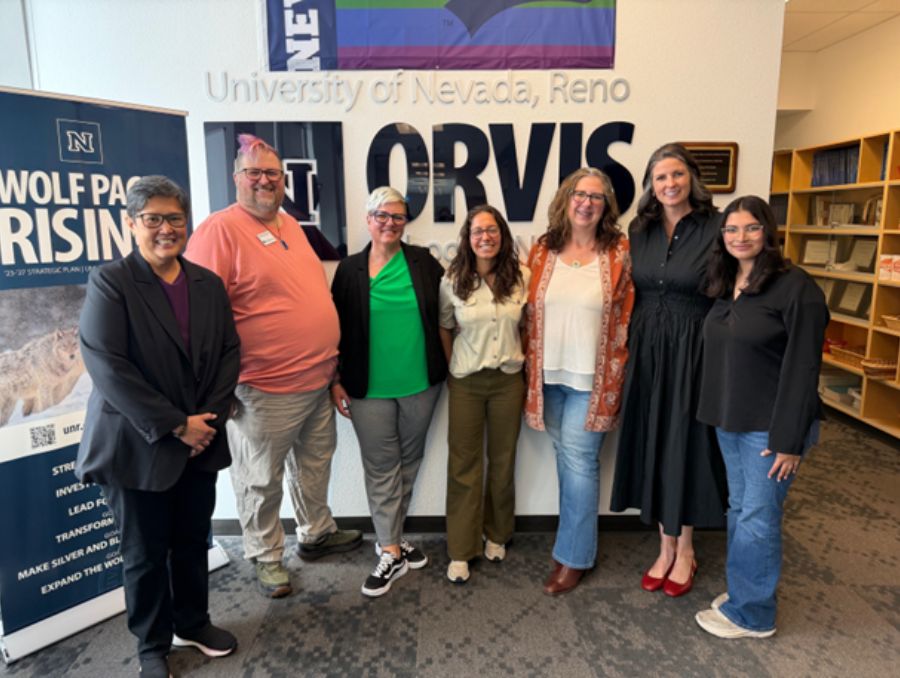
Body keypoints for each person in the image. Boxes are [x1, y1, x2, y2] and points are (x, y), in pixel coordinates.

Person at [76, 176, 241, 678]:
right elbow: (107, 366)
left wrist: (204, 423)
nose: (166, 229)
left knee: (192, 540)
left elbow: (229, 354)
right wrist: (175, 425)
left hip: (201, 440)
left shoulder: (206, 284)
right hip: (139, 446)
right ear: (131, 224)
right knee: (144, 554)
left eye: (175, 219)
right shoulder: (112, 282)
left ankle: (193, 620)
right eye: (154, 219)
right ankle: (152, 644)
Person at [185, 134, 361, 599]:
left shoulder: (289, 223)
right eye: (254, 173)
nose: (264, 181)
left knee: (313, 466)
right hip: (262, 388)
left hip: (316, 379)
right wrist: (219, 388)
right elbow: (199, 315)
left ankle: (316, 532)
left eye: (272, 174)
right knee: (259, 478)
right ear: (237, 178)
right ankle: (265, 556)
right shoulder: (219, 231)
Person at [695, 195, 828, 638]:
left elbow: (804, 367)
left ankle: (753, 615)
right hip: (730, 420)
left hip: (769, 430)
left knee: (758, 517)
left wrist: (790, 440)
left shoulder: (796, 288)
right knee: (742, 510)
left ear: (768, 231)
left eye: (751, 228)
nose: (740, 237)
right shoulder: (727, 279)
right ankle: (744, 594)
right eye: (731, 230)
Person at [610, 142, 727, 597]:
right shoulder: (639, 229)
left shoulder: (716, 227)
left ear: (691, 178)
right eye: (660, 177)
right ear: (650, 185)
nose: (670, 184)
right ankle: (664, 546)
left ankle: (687, 550)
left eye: (677, 175)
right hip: (649, 349)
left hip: (694, 350)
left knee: (687, 443)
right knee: (654, 440)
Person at [330, 186, 447, 597]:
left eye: (397, 217)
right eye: (382, 215)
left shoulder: (423, 263)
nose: (389, 223)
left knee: (409, 462)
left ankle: (391, 537)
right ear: (368, 219)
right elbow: (334, 329)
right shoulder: (349, 270)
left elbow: (449, 311)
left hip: (421, 383)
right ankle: (392, 549)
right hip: (368, 387)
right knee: (381, 466)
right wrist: (335, 379)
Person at [524, 167, 635, 596]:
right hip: (547, 377)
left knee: (579, 463)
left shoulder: (620, 252)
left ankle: (574, 557)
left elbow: (629, 315)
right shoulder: (542, 250)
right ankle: (572, 541)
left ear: (606, 206)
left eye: (596, 197)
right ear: (566, 200)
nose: (586, 203)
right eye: (579, 195)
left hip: (592, 380)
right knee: (566, 459)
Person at [439, 205, 530, 584]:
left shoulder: (522, 276)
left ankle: (497, 534)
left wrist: (517, 356)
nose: (485, 237)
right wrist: (452, 368)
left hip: (508, 381)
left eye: (492, 230)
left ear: (502, 235)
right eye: (477, 231)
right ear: (468, 237)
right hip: (467, 383)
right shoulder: (452, 280)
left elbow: (526, 325)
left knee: (503, 461)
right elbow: (445, 326)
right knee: (464, 465)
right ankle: (461, 549)